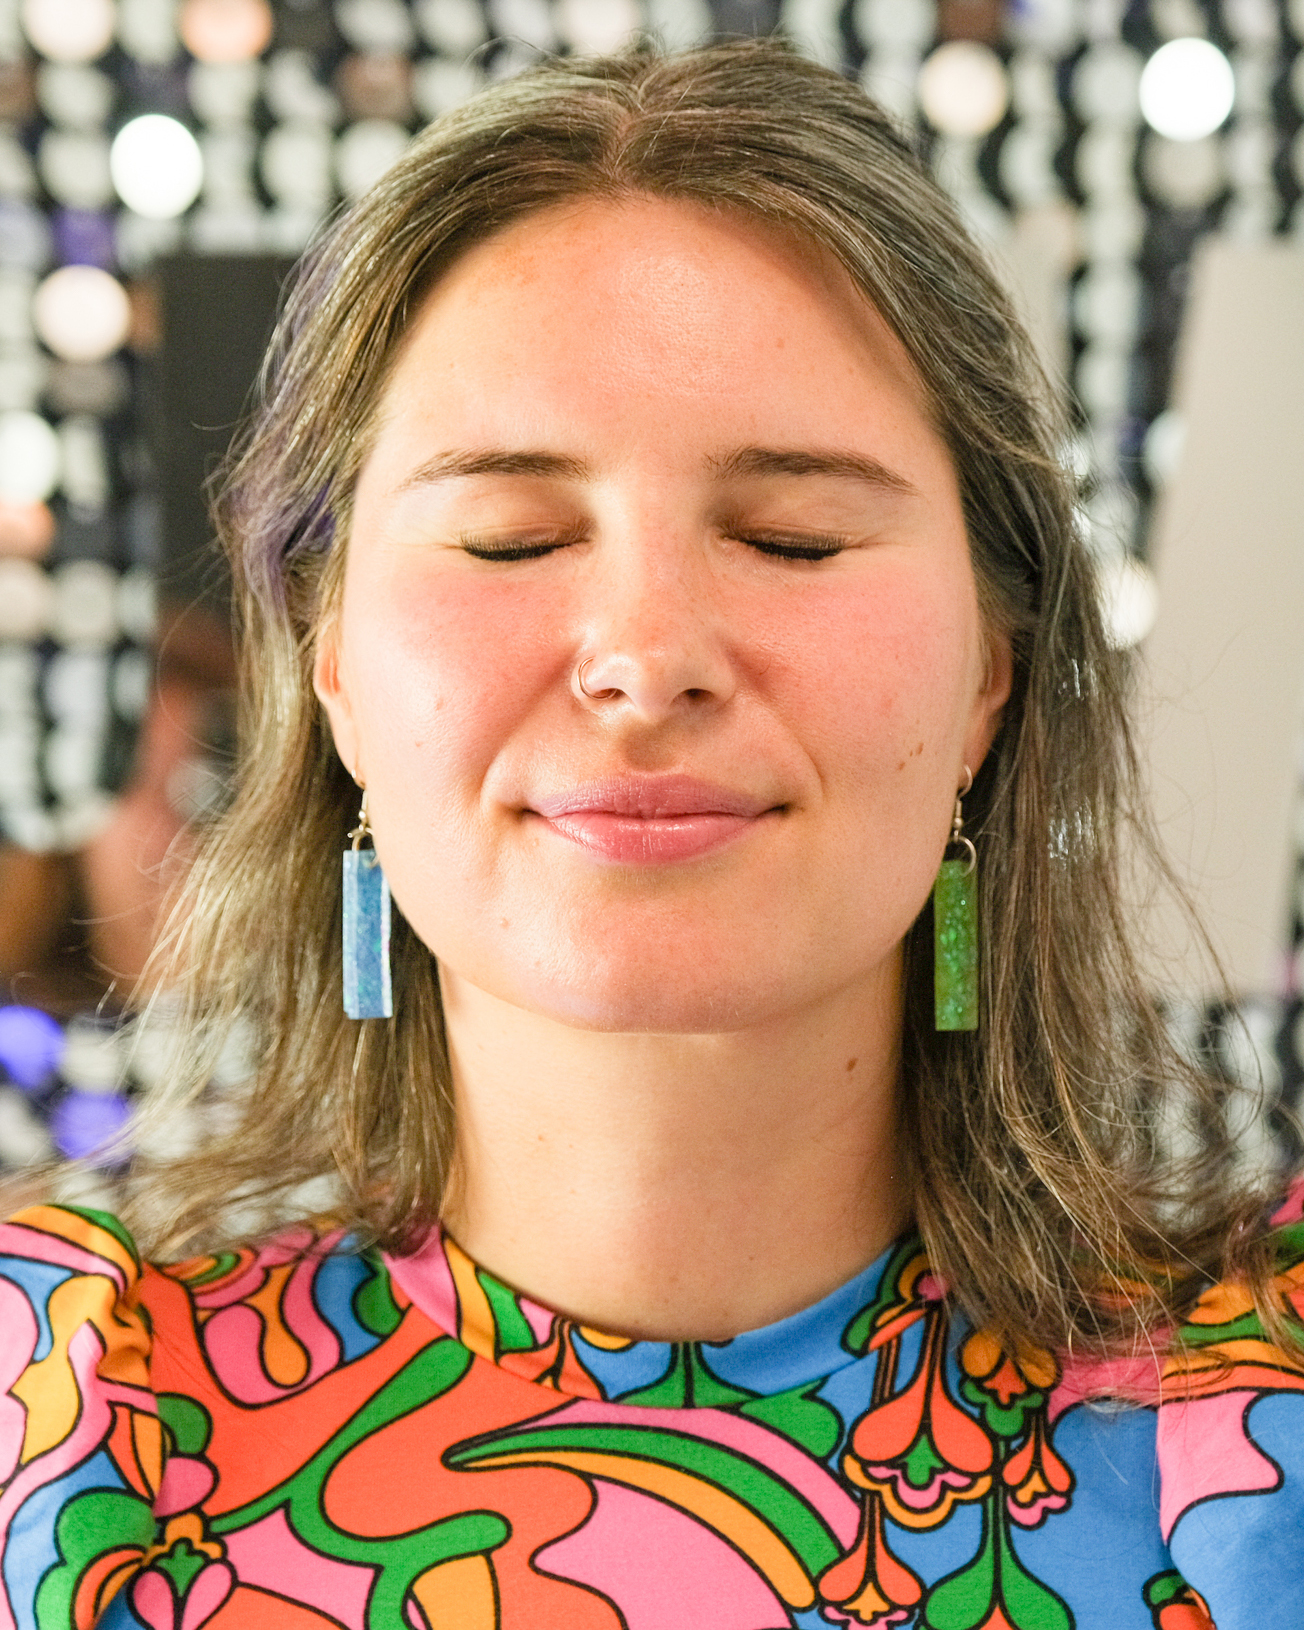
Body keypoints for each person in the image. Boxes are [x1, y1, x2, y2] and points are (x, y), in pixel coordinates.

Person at [2, 38, 1302, 1630]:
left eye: (791, 536)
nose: (644, 653)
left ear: (990, 675)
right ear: (331, 666)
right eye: (512, 536)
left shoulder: (1264, 1440)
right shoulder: (56, 1429)